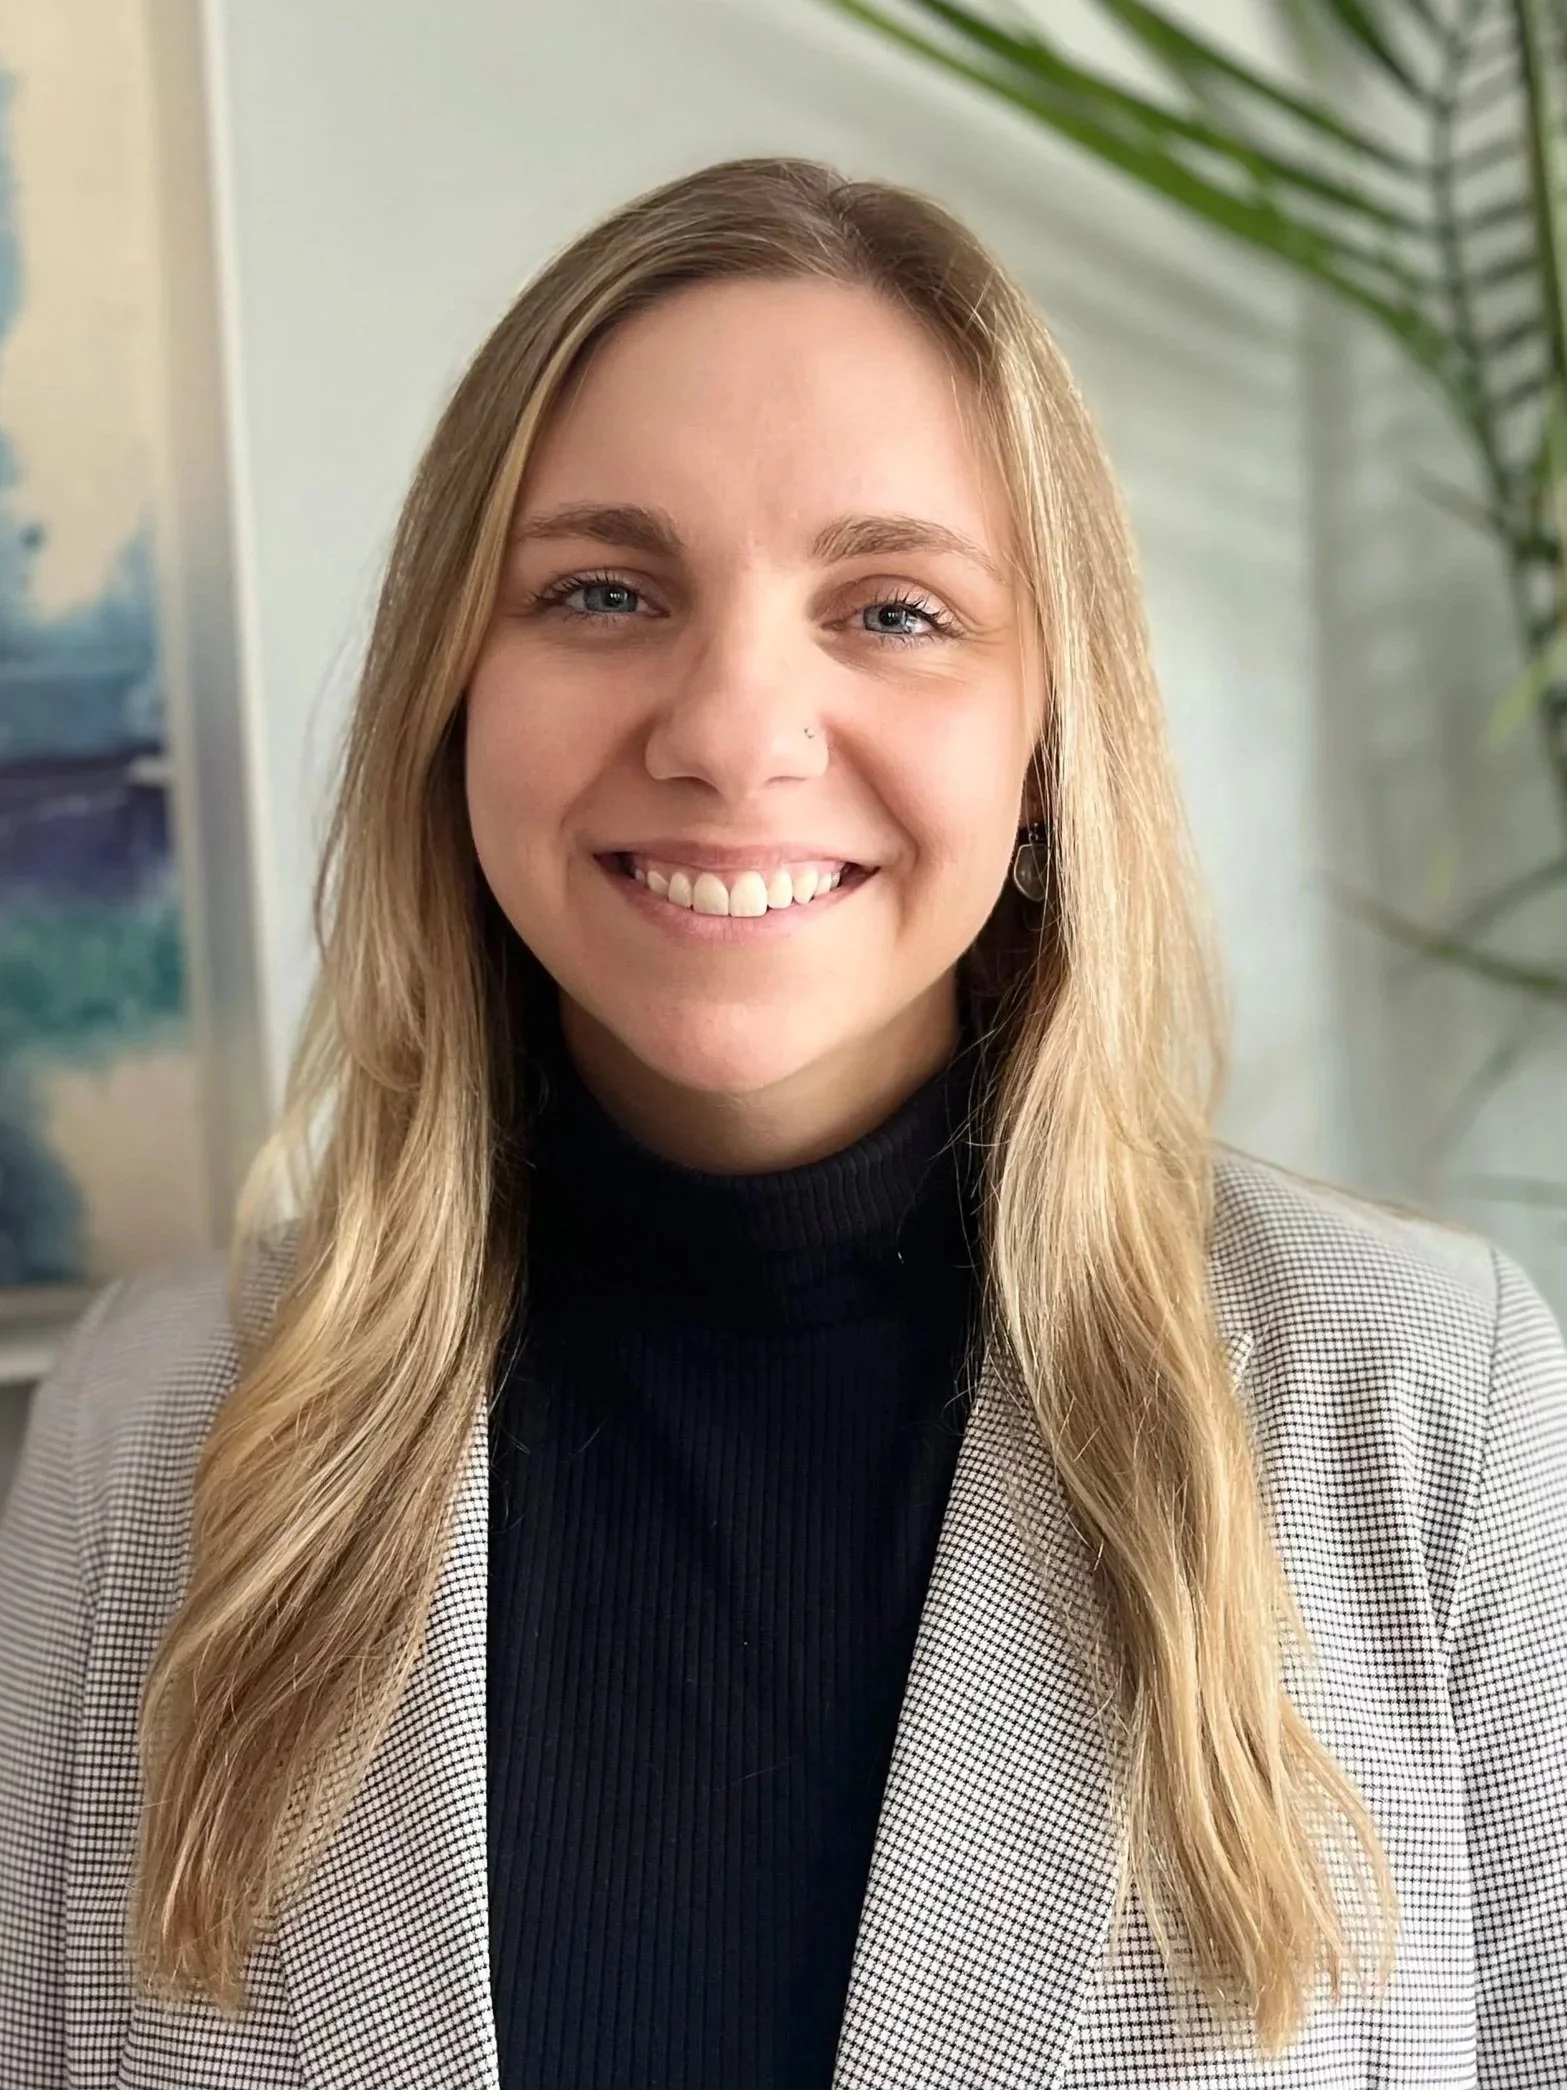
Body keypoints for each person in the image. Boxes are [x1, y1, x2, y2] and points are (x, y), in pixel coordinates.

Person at [2, 155, 1564, 2090]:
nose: (733, 730)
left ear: (1046, 737)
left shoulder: (1422, 1396)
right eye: (600, 589)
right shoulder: (147, 1432)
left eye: (894, 608)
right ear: (450, 690)